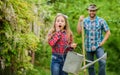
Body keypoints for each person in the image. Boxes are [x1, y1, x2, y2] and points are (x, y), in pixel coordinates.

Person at [77, 4, 110, 75]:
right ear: (88, 11)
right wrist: (79, 21)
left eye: (93, 11)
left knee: (102, 62)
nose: (92, 12)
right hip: (88, 46)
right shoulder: (84, 21)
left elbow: (108, 32)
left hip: (98, 46)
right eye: (90, 10)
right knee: (90, 65)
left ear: (96, 11)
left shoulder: (101, 21)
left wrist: (103, 42)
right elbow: (79, 32)